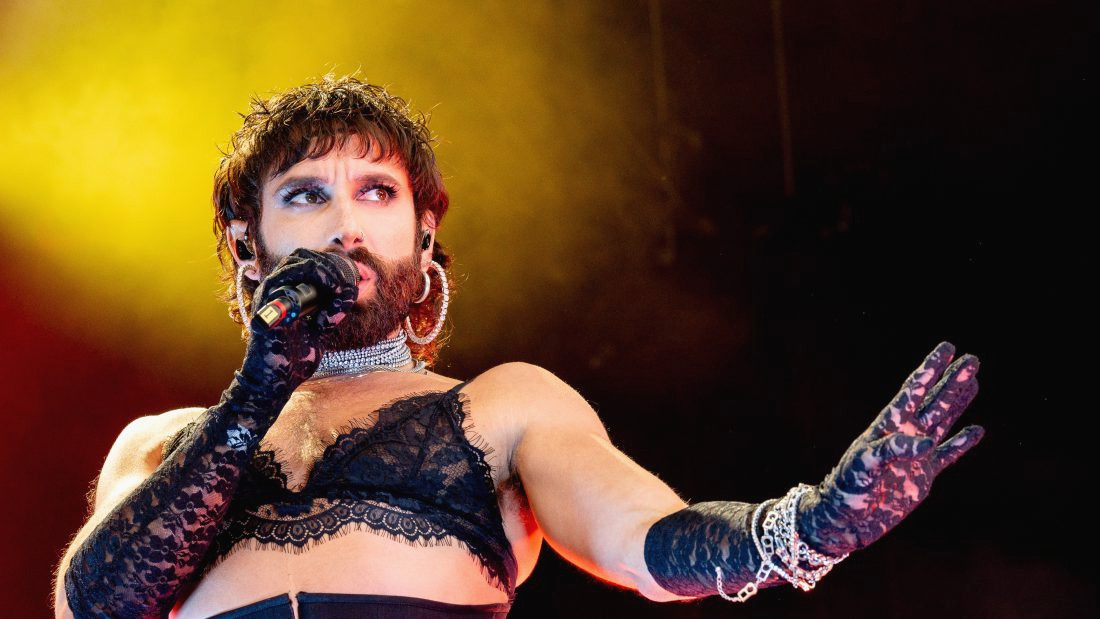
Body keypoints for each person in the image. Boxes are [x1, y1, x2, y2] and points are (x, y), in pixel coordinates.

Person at [53, 75, 985, 619]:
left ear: (424, 238)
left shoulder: (500, 407)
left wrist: (812, 525)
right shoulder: (161, 442)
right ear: (247, 246)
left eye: (378, 192)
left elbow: (643, 542)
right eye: (305, 195)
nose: (345, 225)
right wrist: (259, 389)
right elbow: (95, 604)